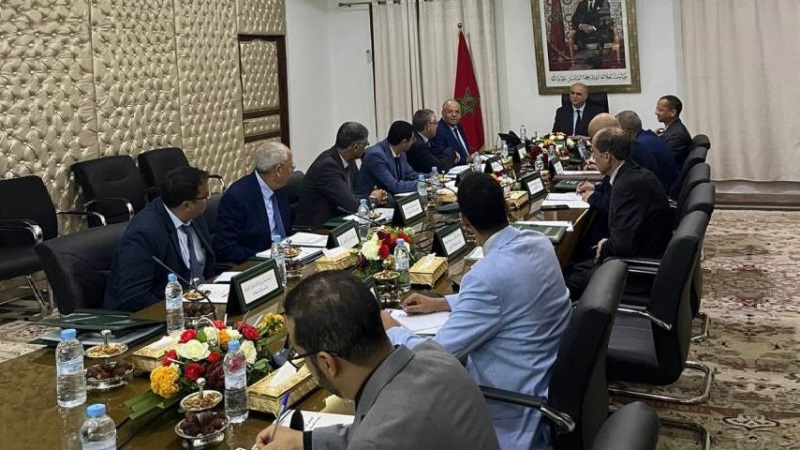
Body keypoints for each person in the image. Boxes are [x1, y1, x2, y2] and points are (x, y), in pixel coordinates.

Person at [382, 172, 572, 449]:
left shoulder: (485, 277)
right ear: (506, 207)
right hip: (546, 378)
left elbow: (436, 357)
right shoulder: (539, 243)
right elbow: (512, 292)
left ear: (464, 221)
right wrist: (443, 302)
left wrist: (392, 330)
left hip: (512, 409)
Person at [256, 270, 500, 450]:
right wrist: (307, 441)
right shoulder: (432, 354)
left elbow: (379, 436)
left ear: (327, 363)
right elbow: (388, 430)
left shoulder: (376, 439)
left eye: (299, 354)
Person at [567, 127, 672, 299]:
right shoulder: (632, 172)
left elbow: (622, 246)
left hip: (637, 272)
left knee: (565, 280)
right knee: (575, 264)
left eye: (594, 153)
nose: (592, 158)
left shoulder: (626, 187)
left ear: (607, 157)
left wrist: (604, 245)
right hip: (648, 255)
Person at [104, 166, 215, 311]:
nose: (208, 199)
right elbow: (134, 297)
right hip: (162, 313)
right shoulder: (143, 233)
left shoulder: (195, 216)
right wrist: (180, 310)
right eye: (206, 196)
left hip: (201, 303)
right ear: (186, 205)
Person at [295, 122, 388, 229]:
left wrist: (375, 196)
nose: (366, 147)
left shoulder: (349, 160)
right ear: (356, 147)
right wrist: (374, 199)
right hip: (317, 229)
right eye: (366, 144)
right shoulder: (327, 166)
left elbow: (356, 192)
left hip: (339, 222)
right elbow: (351, 205)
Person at [213, 142, 293, 264]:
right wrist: (266, 257)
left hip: (285, 257)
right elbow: (225, 248)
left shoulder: (280, 188)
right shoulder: (237, 197)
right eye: (291, 166)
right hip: (257, 262)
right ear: (279, 170)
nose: (292, 171)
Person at [616, 110, 678, 194]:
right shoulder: (648, 137)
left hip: (662, 192)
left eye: (616, 130)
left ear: (626, 131)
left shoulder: (639, 147)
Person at [356, 121, 418, 196]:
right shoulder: (376, 155)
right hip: (371, 200)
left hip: (390, 198)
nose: (414, 141)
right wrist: (422, 185)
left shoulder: (401, 152)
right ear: (404, 142)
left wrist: (429, 179)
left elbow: (411, 175)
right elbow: (394, 186)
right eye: (412, 139)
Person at [406, 109, 458, 174]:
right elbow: (440, 169)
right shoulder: (418, 145)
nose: (437, 126)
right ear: (428, 127)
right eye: (435, 123)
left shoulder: (422, 139)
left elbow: (435, 159)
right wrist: (452, 152)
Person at [655, 95, 693, 167]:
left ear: (673, 112)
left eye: (660, 110)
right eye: (657, 109)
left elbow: (664, 160)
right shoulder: (672, 129)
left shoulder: (677, 135)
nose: (656, 112)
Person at [429, 99, 468, 164]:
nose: (454, 115)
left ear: (460, 115)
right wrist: (466, 160)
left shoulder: (458, 126)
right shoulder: (438, 130)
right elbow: (441, 156)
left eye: (457, 112)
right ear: (443, 113)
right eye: (450, 112)